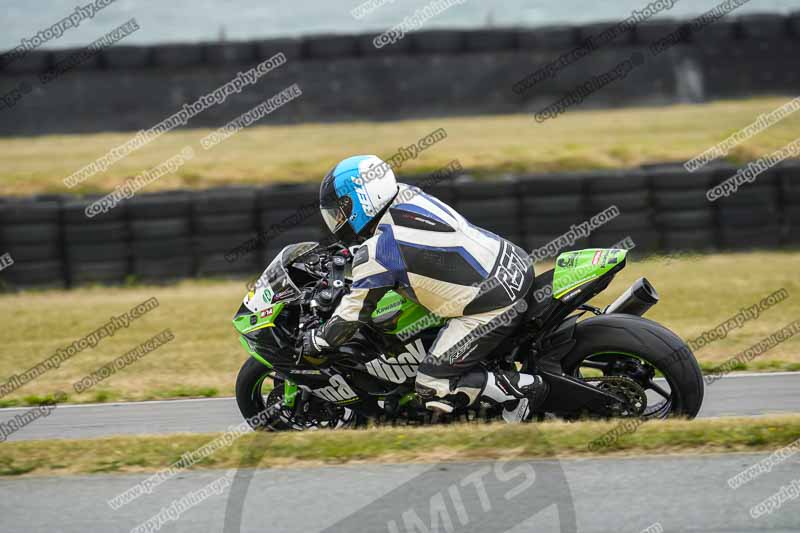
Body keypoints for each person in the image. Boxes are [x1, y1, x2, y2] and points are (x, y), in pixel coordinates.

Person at [302, 155, 549, 422]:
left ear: (362, 201)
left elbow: (353, 315)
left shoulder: (378, 252)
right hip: (512, 261)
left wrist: (319, 340)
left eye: (340, 211)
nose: (337, 220)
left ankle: (525, 389)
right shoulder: (405, 194)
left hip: (492, 305)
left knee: (432, 384)